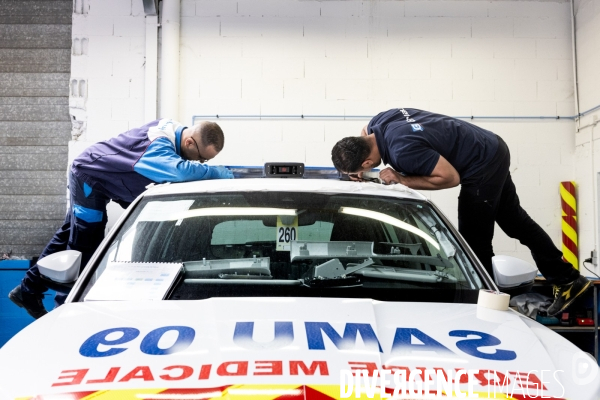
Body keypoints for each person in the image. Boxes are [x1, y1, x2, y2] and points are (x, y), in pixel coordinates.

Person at [331, 107, 590, 316]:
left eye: (360, 171)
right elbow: (364, 130)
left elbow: (450, 177)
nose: (361, 174)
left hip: (480, 163)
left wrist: (402, 179)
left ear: (366, 162)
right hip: (489, 145)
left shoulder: (402, 152)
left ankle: (488, 307)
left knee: (474, 237)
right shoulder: (381, 120)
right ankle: (567, 278)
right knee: (513, 221)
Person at [9, 119, 233, 319]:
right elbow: (181, 172)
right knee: (85, 240)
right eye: (202, 159)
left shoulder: (172, 137)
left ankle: (27, 291)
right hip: (90, 177)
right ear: (190, 143)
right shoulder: (157, 144)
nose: (201, 164)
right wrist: (221, 173)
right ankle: (65, 312)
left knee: (69, 233)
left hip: (108, 180)